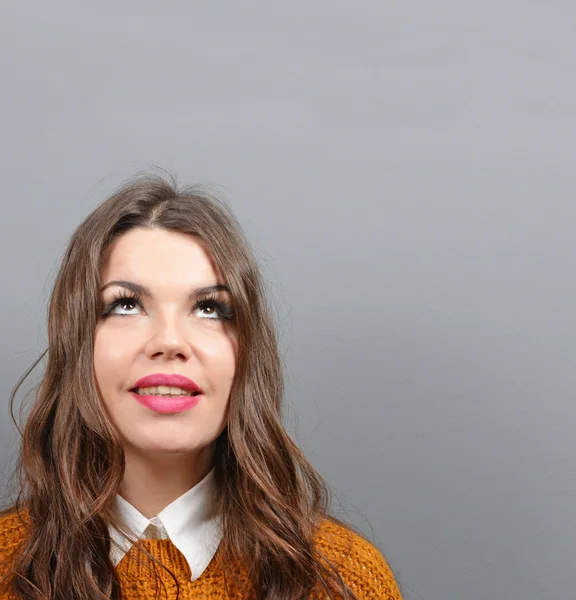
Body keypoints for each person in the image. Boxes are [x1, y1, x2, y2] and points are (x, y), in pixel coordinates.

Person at [0, 173, 403, 600]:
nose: (170, 342)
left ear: (246, 351)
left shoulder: (344, 579)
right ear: (78, 341)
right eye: (126, 304)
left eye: (209, 308)